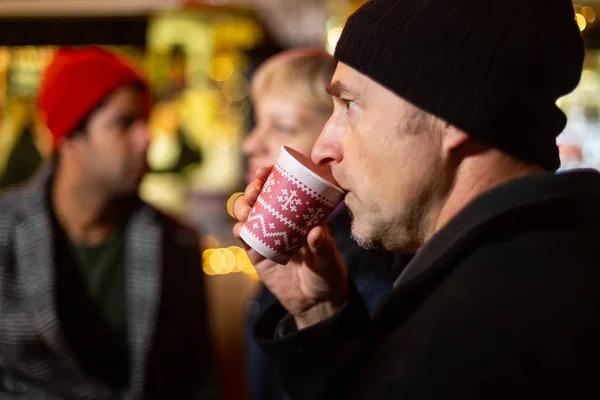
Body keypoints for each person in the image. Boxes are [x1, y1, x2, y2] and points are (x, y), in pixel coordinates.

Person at [232, 0, 600, 398]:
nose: (322, 149)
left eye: (350, 105)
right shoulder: (534, 266)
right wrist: (319, 314)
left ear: (456, 112)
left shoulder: (479, 332)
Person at [0, 47, 218, 399]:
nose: (147, 137)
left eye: (146, 120)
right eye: (124, 123)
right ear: (70, 137)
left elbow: (199, 380)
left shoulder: (174, 241)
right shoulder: (6, 231)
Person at [241, 48, 407, 400]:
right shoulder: (296, 256)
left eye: (283, 127)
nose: (251, 143)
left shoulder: (369, 263)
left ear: (330, 142)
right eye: (256, 123)